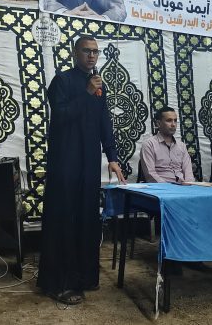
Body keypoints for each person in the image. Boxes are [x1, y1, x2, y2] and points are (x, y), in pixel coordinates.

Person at [38, 35, 126, 305]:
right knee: (65, 218)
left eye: (95, 52)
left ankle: (84, 277)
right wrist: (86, 93)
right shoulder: (62, 81)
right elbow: (61, 117)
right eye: (86, 51)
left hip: (88, 162)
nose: (91, 56)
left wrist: (112, 156)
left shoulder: (98, 84)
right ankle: (59, 284)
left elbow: (104, 122)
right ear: (75, 53)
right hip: (65, 162)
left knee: (87, 218)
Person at [139, 106, 195, 183]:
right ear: (158, 123)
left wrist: (189, 184)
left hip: (183, 186)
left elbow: (188, 173)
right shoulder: (149, 144)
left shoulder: (182, 146)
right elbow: (150, 175)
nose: (173, 124)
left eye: (175, 121)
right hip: (161, 187)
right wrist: (168, 187)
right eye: (169, 120)